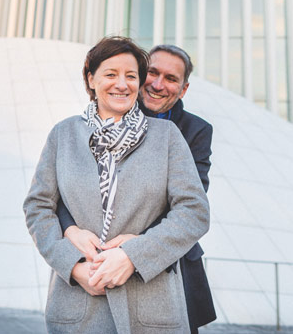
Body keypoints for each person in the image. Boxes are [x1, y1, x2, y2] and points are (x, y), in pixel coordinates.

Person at [23, 36, 209, 333]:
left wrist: (133, 256)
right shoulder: (64, 134)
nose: (122, 84)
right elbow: (38, 206)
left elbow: (194, 211)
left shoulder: (167, 136)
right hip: (77, 304)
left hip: (150, 305)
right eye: (111, 74)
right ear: (90, 78)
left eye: (131, 76)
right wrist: (73, 266)